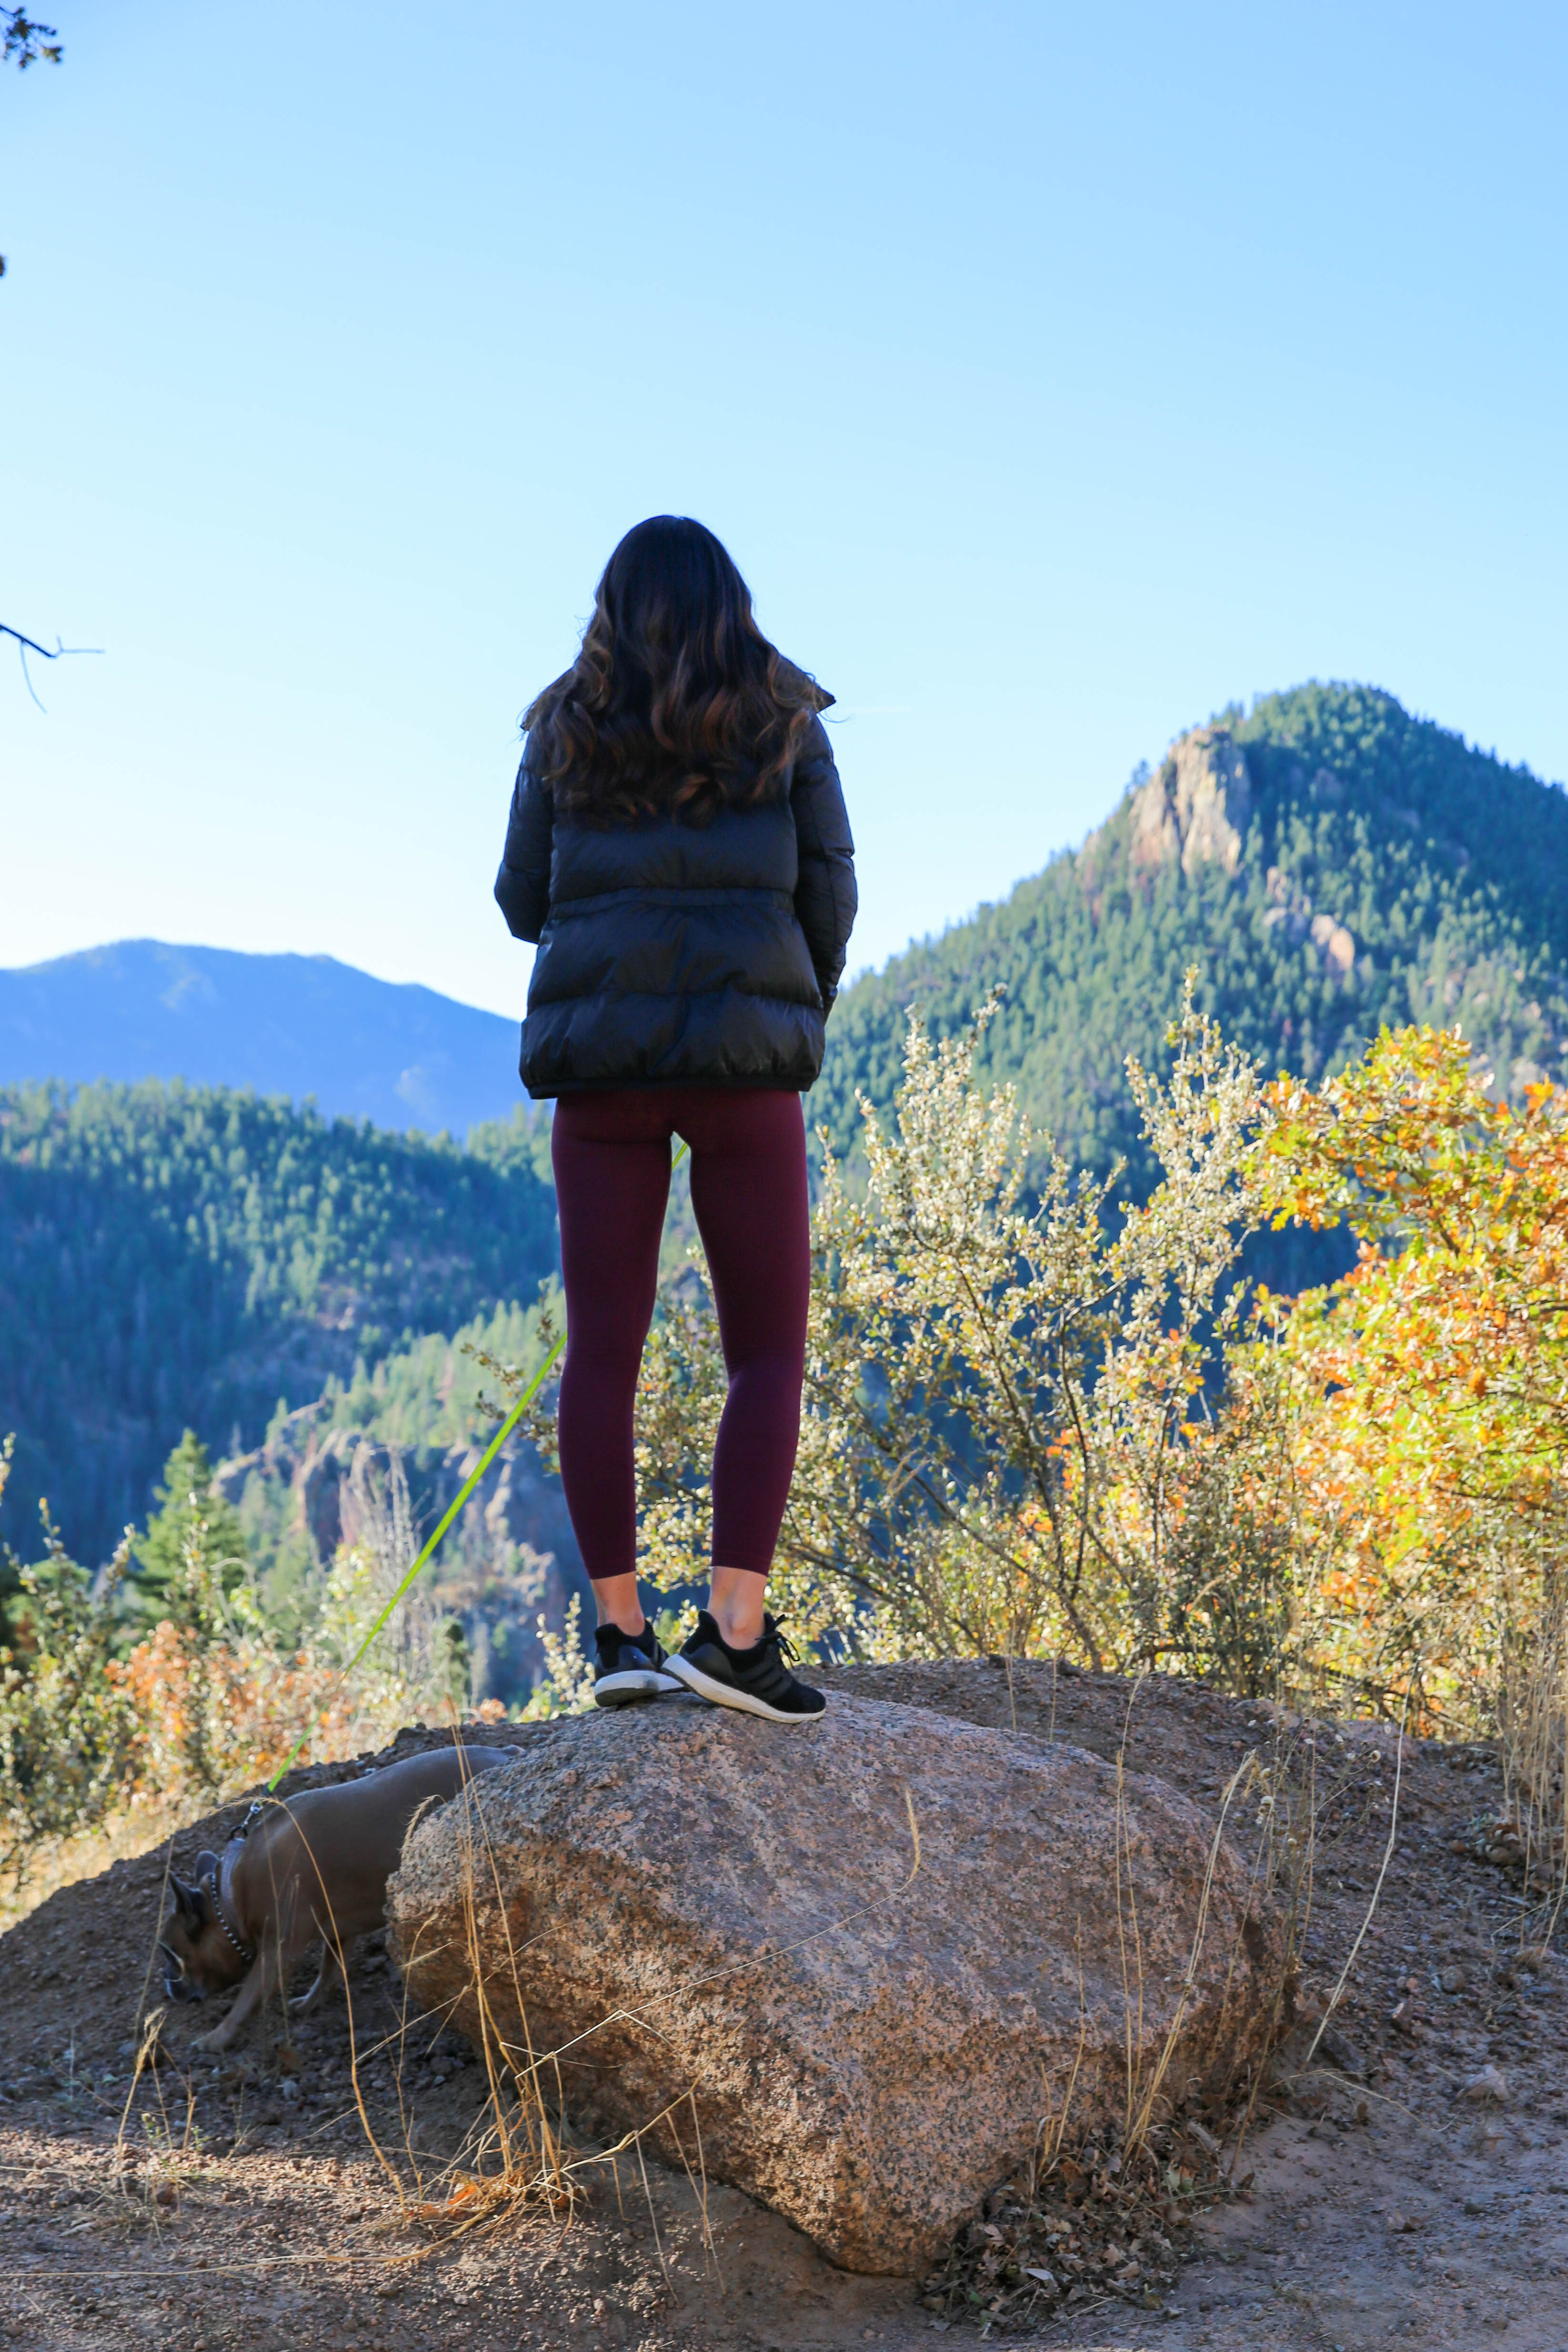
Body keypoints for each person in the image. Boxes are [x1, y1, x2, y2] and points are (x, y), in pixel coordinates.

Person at [495, 516, 856, 1724]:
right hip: (745, 1071)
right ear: (731, 604)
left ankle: (619, 1635)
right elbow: (831, 888)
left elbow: (516, 899)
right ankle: (734, 1636)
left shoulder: (560, 726)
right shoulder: (786, 716)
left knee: (603, 1347)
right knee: (765, 1350)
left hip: (602, 1073)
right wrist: (787, 995)